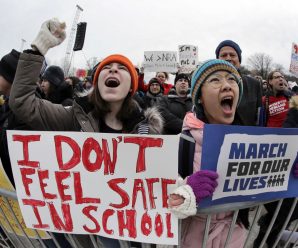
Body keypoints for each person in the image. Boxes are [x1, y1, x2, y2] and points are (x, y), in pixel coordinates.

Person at [9, 18, 164, 248]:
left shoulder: (146, 130)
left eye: (122, 68)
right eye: (106, 68)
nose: (113, 69)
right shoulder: (73, 115)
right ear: (97, 82)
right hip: (83, 235)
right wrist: (38, 50)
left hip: (126, 235)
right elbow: (22, 102)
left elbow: (156, 180)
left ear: (131, 85)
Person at [168, 59, 249, 248]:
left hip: (235, 238)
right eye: (215, 80)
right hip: (193, 239)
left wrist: (287, 171)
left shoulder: (249, 140)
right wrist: (186, 190)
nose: (227, 86)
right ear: (200, 97)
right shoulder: (183, 142)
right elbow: (156, 197)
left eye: (231, 80)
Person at [215, 40, 262, 126]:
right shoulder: (209, 85)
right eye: (224, 55)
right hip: (218, 136)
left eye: (232, 55)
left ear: (239, 61)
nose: (228, 58)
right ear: (217, 60)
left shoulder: (254, 84)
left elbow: (259, 117)